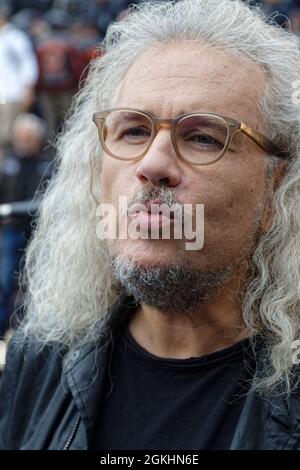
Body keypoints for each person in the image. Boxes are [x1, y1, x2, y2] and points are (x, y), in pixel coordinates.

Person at [0, 0, 300, 450]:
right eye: (134, 131)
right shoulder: (40, 356)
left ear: (277, 187)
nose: (153, 164)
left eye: (203, 137)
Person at [0, 113, 52, 340]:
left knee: (36, 282)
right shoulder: (8, 162)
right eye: (20, 136)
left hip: (38, 232)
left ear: (38, 139)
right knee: (4, 279)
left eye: (28, 137)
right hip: (11, 230)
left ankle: (31, 335)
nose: (23, 141)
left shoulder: (48, 163)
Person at [0, 0, 38, 158]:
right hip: (2, 94)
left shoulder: (15, 36)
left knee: (9, 134)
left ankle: (10, 167)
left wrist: (28, 88)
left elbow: (28, 63)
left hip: (12, 93)